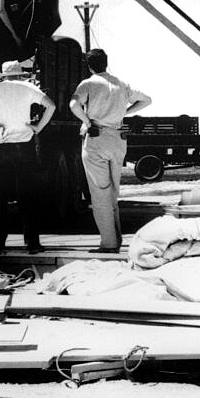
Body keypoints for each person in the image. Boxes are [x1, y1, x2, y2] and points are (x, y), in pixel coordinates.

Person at [69, 48, 151, 253]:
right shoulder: (121, 84)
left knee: (100, 193)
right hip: (117, 138)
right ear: (106, 62)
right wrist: (125, 112)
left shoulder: (88, 84)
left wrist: (87, 121)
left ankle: (109, 242)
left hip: (97, 137)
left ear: (89, 65)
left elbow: (73, 105)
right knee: (113, 192)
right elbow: (147, 99)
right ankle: (117, 237)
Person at [0, 60, 55, 254]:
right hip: (24, 146)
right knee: (28, 197)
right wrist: (38, 128)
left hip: (2, 147)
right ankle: (32, 244)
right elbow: (51, 106)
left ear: (3, 75)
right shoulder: (27, 87)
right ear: (19, 74)